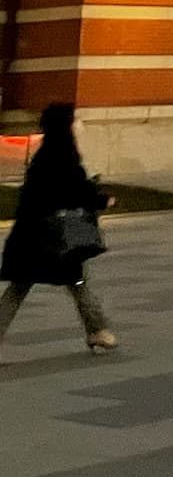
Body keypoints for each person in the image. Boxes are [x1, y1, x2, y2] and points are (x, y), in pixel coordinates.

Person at [0, 104, 117, 353]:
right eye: (74, 120)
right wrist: (101, 200)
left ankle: (97, 330)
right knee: (76, 283)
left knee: (19, 288)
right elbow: (75, 190)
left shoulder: (43, 155)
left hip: (31, 236)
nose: (78, 124)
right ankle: (97, 331)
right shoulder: (64, 156)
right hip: (57, 237)